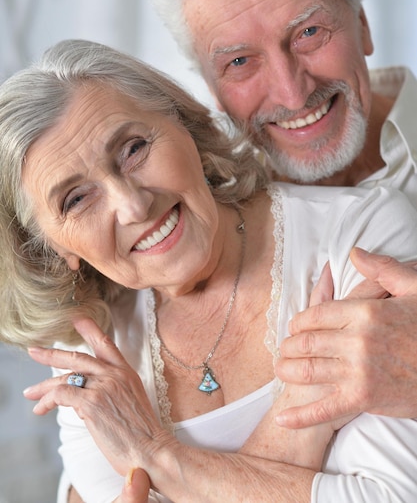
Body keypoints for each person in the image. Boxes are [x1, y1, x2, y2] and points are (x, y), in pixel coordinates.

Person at [1, 39, 417, 502]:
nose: (134, 205)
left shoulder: (358, 234)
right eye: (76, 199)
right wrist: (299, 429)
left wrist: (155, 455)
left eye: (134, 149)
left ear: (186, 124)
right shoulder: (87, 352)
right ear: (55, 249)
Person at [151, 0, 417, 426]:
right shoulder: (188, 227)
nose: (293, 94)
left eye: (309, 33)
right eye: (241, 61)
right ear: (209, 85)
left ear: (362, 25)